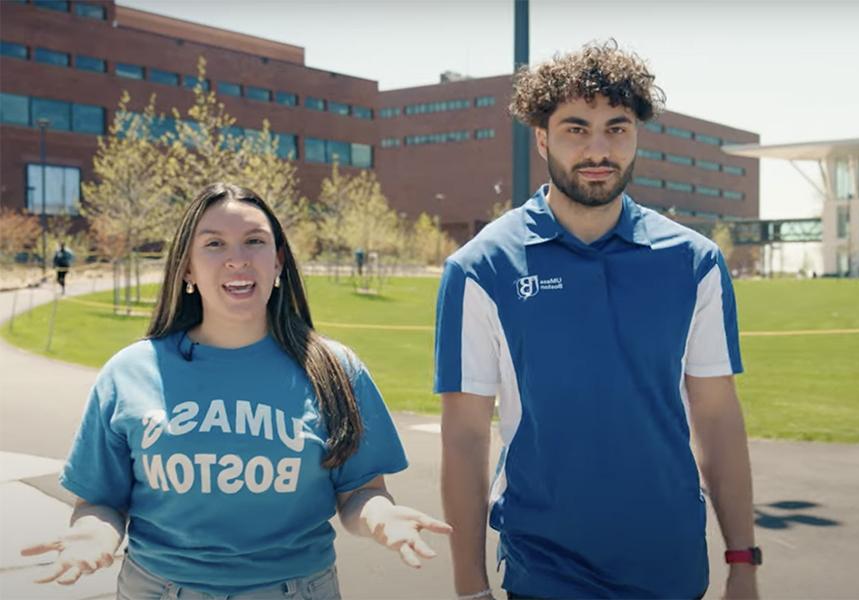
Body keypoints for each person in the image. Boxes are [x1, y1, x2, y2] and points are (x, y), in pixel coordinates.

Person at [436, 41, 759, 600]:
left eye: (617, 127)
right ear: (542, 138)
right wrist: (470, 588)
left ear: (636, 135)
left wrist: (743, 563)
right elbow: (464, 436)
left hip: (671, 564)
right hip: (545, 570)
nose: (598, 149)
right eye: (576, 129)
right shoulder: (480, 268)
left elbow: (717, 417)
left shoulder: (694, 261)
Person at [22, 183, 451, 598]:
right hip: (156, 589)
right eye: (214, 244)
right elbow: (98, 502)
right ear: (186, 267)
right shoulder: (130, 372)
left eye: (254, 241)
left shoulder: (335, 370)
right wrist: (91, 537)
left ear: (278, 261)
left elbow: (361, 491)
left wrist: (382, 517)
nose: (237, 259)